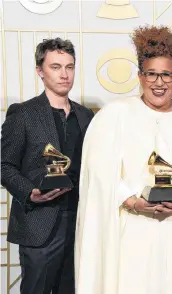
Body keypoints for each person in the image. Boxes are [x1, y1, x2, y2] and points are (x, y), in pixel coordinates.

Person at [75, 26, 172, 294]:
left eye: (166, 74)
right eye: (151, 74)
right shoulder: (114, 117)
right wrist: (134, 202)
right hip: (132, 234)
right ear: (140, 77)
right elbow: (99, 175)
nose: (159, 82)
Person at [1, 38, 94, 294]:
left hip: (79, 225)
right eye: (56, 67)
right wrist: (29, 192)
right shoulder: (23, 113)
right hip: (39, 225)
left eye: (70, 66)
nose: (65, 74)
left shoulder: (87, 116)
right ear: (40, 71)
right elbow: (5, 166)